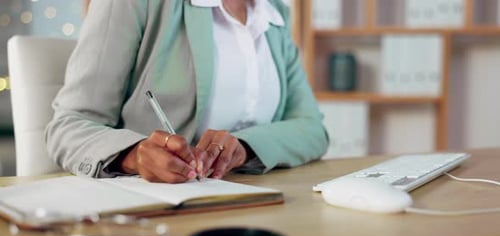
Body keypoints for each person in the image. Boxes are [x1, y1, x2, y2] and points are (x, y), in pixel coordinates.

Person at [45, 0, 329, 183]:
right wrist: (134, 155)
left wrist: (242, 148)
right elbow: (67, 128)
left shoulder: (275, 14)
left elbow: (312, 129)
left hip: (252, 206)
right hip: (154, 214)